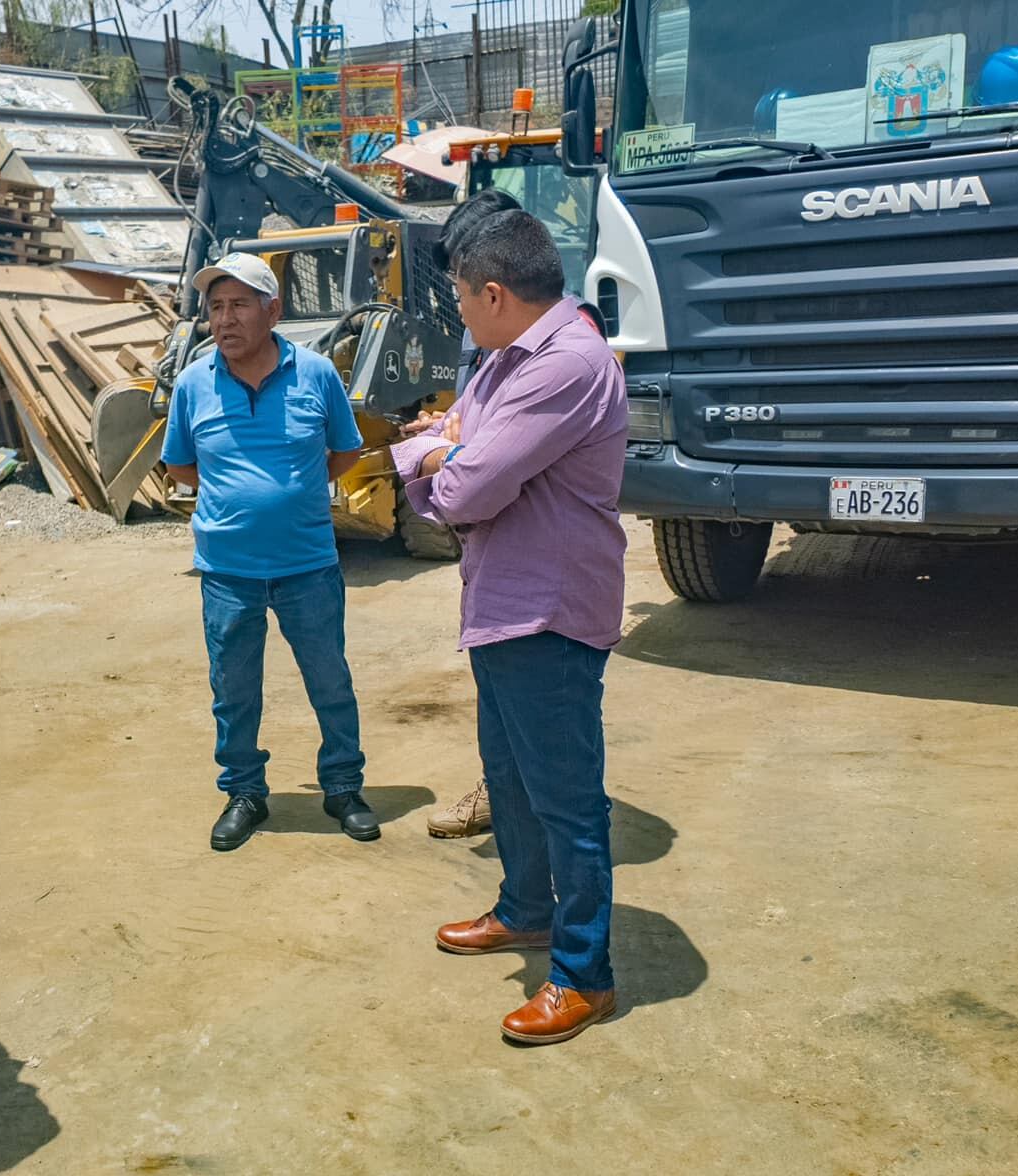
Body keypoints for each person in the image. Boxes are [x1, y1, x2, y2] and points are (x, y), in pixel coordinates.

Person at [390, 210, 628, 1046]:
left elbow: (463, 488)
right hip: (499, 604)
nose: (455, 309)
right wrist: (446, 454)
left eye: (458, 294)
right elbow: (452, 448)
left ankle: (584, 974)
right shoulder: (502, 364)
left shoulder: (566, 364)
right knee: (511, 778)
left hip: (549, 608)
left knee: (567, 802)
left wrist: (442, 461)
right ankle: (526, 910)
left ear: (494, 292)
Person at [162, 252, 378, 852]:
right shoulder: (192, 383)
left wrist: (288, 496)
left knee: (329, 681)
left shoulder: (315, 375)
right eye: (215, 308)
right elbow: (182, 467)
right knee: (233, 689)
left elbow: (343, 453)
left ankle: (342, 787)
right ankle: (245, 793)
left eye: (238, 306)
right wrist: (243, 501)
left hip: (309, 565)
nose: (224, 320)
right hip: (228, 573)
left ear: (273, 310)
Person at [419, 187, 521, 840]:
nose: (456, 291)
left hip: (525, 564)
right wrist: (451, 429)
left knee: (529, 702)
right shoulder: (484, 330)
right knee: (499, 692)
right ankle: (506, 792)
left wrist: (438, 456)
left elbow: (480, 472)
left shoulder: (554, 351)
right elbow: (475, 423)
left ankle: (514, 804)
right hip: (489, 555)